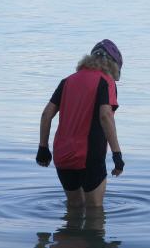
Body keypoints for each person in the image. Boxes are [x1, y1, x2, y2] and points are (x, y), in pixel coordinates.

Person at [36, 40, 125, 208]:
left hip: (63, 155)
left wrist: (42, 148)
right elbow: (106, 116)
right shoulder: (106, 81)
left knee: (74, 207)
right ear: (113, 65)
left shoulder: (67, 81)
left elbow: (46, 114)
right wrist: (117, 154)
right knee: (95, 211)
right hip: (90, 156)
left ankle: (68, 232)